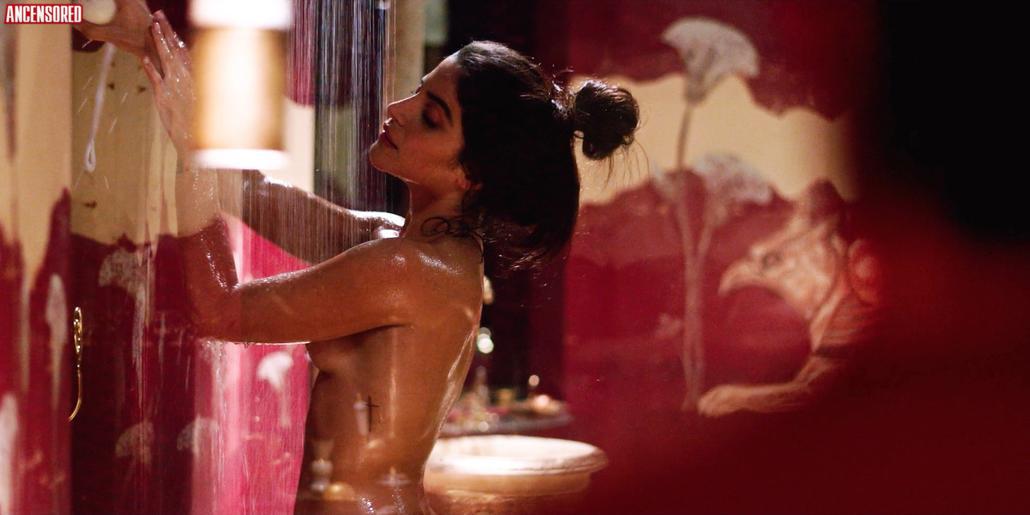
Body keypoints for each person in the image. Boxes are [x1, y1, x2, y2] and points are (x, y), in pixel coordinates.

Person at [78, 6, 639, 514]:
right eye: (418, 90)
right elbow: (250, 192)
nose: (398, 109)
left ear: (472, 175)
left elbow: (220, 312)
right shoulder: (408, 247)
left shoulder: (409, 271)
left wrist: (191, 153)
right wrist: (153, 46)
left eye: (431, 116)